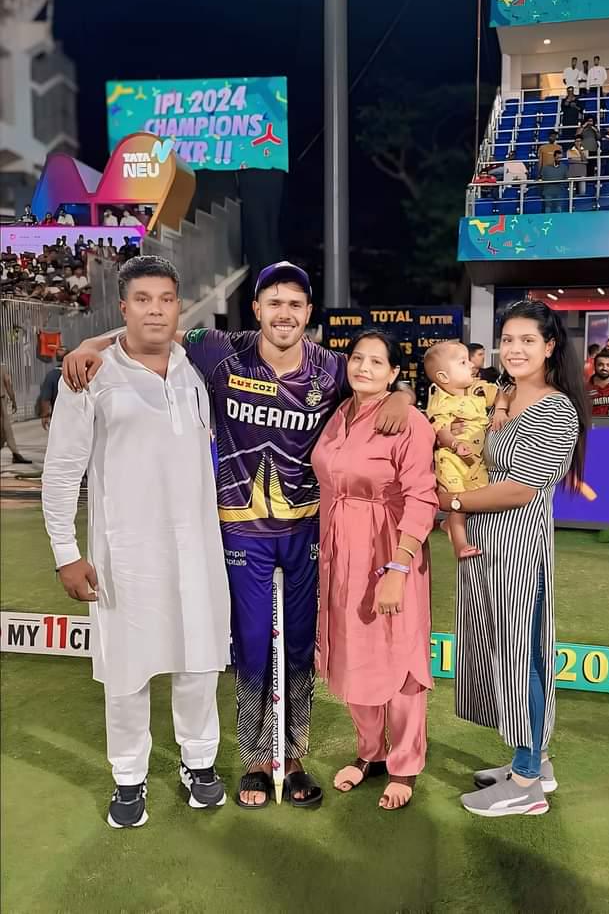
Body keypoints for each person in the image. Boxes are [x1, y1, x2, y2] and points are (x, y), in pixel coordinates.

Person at [62, 260, 414, 809]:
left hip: (305, 533)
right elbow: (155, 327)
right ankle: (255, 761)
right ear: (256, 310)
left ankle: (292, 759)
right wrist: (90, 342)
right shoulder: (218, 348)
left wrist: (403, 394)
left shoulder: (330, 367)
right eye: (274, 302)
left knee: (299, 650)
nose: (284, 313)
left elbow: (378, 376)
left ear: (308, 313)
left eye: (295, 304)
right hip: (238, 533)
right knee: (250, 648)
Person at [42, 256, 231, 829]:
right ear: (122, 307)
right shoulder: (90, 376)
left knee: (198, 664)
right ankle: (129, 777)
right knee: (126, 672)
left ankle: (199, 764)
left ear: (179, 306)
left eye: (166, 299)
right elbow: (60, 470)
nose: (155, 309)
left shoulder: (198, 365)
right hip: (123, 554)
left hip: (197, 550)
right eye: (142, 299)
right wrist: (65, 552)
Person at [437, 300, 588, 817]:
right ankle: (535, 762)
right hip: (487, 548)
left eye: (528, 340)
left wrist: (450, 501)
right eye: (508, 338)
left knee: (520, 658)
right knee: (507, 654)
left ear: (550, 347)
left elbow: (520, 489)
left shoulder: (555, 408)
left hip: (519, 551)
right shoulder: (502, 395)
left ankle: (525, 785)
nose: (515, 348)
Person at [311, 332, 437, 812]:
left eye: (376, 361)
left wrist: (398, 567)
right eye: (357, 358)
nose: (363, 367)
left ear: (392, 373)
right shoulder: (338, 414)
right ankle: (371, 752)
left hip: (389, 546)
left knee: (400, 656)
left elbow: (422, 496)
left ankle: (404, 764)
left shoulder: (407, 420)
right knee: (352, 649)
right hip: (339, 550)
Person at [423, 341, 506, 559]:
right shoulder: (438, 399)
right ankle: (460, 543)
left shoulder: (478, 388)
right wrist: (454, 444)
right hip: (451, 459)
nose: (471, 364)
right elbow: (440, 429)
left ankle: (451, 525)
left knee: (478, 496)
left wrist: (500, 410)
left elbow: (502, 395)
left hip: (477, 459)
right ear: (443, 377)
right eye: (462, 362)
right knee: (458, 503)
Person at [1, 363, 33, 463]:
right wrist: (13, 400)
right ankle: (15, 453)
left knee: (5, 429)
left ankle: (15, 453)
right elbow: (8, 383)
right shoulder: (1, 367)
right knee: (5, 428)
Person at [39, 346, 68, 430]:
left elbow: (46, 398)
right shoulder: (77, 372)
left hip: (58, 417)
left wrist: (45, 415)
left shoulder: (51, 376)